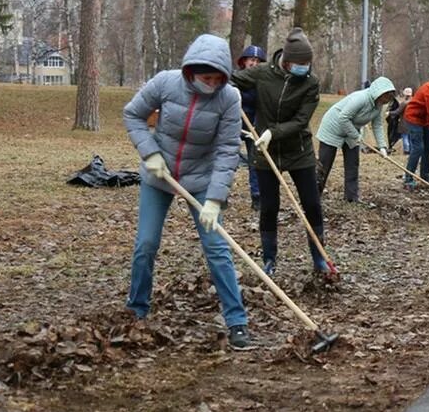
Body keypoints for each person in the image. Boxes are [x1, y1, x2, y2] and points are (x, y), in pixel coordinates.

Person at [122, 33, 252, 350]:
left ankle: (237, 321)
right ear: (191, 70)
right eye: (206, 77)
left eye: (217, 78)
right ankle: (136, 310)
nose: (211, 83)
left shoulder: (229, 98)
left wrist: (215, 199)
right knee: (146, 244)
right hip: (160, 174)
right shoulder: (166, 83)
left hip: (204, 179)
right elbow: (133, 114)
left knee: (217, 249)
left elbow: (226, 151)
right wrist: (149, 152)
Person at [231, 28, 328, 278]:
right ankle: (269, 260)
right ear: (286, 60)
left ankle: (319, 258)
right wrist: (230, 91)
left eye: (308, 63)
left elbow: (301, 120)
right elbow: (232, 79)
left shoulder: (310, 83)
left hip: (299, 150)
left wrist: (273, 131)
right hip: (266, 151)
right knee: (269, 206)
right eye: (300, 63)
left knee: (312, 204)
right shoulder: (263, 74)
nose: (304, 67)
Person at [315, 76, 396, 202]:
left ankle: (351, 198)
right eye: (386, 97)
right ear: (378, 93)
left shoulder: (378, 105)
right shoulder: (361, 99)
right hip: (333, 127)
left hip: (351, 132)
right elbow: (343, 117)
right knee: (324, 165)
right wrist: (356, 136)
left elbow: (377, 125)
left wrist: (382, 147)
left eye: (389, 98)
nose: (386, 101)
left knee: (353, 164)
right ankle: (314, 196)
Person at [236, 45, 266, 210]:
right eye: (251, 60)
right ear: (244, 61)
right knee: (227, 159)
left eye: (257, 61)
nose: (254, 63)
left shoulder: (262, 81)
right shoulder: (236, 78)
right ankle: (220, 195)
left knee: (254, 161)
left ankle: (257, 196)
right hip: (234, 122)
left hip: (253, 124)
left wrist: (257, 124)